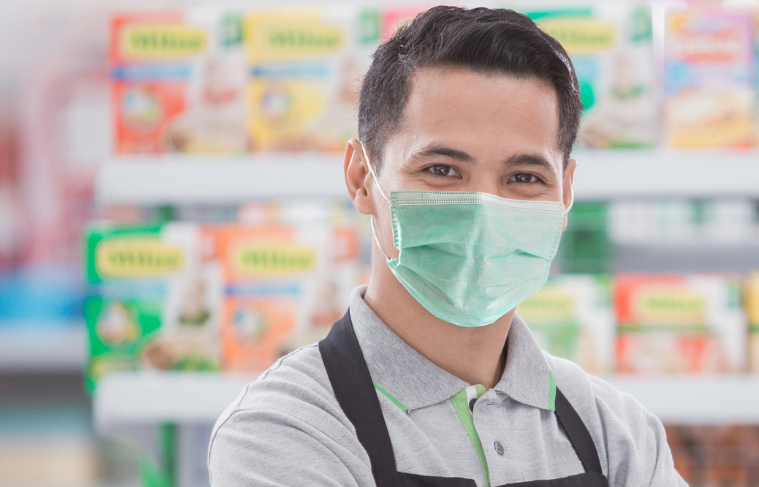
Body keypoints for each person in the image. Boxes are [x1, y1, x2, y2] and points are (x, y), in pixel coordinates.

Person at [207, 7, 686, 486]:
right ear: (361, 178)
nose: (482, 212)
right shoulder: (283, 431)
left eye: (524, 177)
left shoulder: (616, 432)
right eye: (441, 170)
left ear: (564, 194)